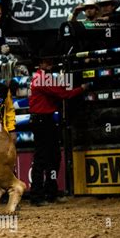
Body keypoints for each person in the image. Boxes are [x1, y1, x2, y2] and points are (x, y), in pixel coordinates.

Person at [28, 54, 89, 206]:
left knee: (51, 157)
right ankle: (39, 195)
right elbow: (63, 94)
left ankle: (48, 193)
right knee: (44, 157)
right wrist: (81, 88)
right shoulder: (42, 79)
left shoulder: (40, 78)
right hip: (43, 120)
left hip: (44, 120)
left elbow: (60, 91)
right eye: (47, 62)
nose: (50, 65)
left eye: (50, 62)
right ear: (41, 63)